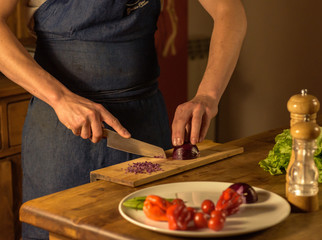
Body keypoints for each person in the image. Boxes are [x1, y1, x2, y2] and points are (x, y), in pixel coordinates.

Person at [0, 0, 247, 239]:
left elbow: (228, 9)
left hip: (145, 125)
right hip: (61, 130)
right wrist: (60, 98)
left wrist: (208, 94)